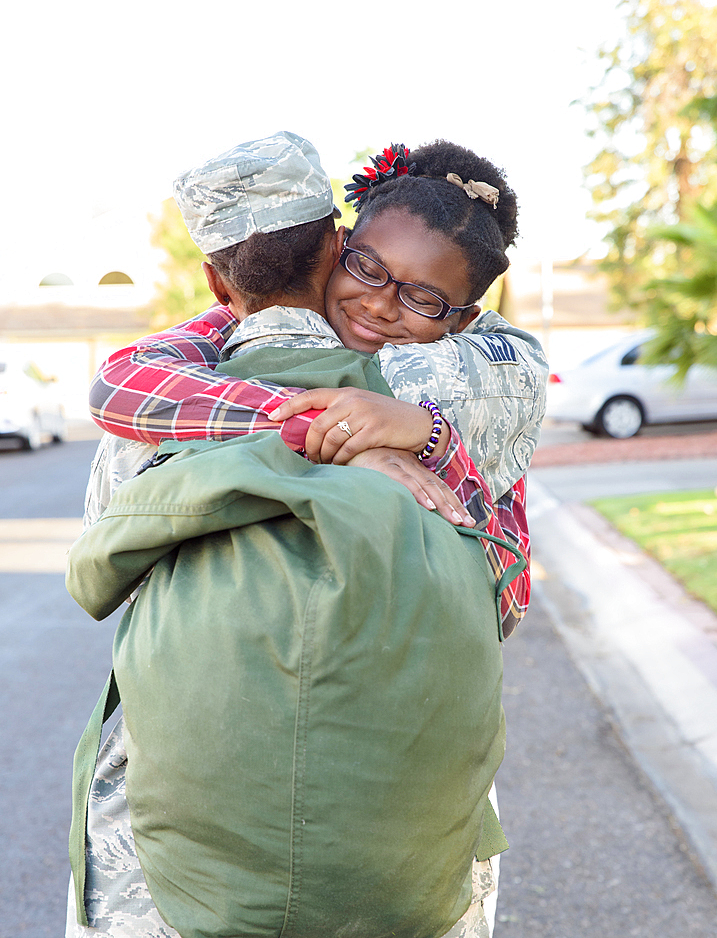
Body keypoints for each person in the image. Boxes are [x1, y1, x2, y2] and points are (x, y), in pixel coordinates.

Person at [68, 132, 545, 938]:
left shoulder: (188, 376)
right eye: (368, 270)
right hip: (408, 785)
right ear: (334, 247)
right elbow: (505, 592)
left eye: (423, 300)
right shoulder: (471, 377)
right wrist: (372, 434)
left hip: (184, 801)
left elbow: (105, 555)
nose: (384, 306)